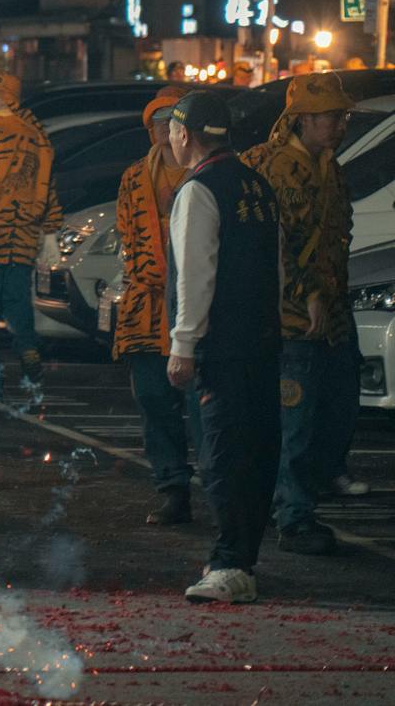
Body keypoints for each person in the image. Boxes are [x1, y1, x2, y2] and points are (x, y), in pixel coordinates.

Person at [166, 92, 284, 605]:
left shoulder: (198, 190)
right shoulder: (257, 185)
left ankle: (231, 564)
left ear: (185, 135)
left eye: (172, 130)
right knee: (257, 449)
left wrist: (183, 343)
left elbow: (196, 274)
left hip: (222, 346)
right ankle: (242, 558)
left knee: (225, 454)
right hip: (262, 339)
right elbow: (275, 270)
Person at [239, 72, 357, 555]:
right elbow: (282, 242)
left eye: (342, 116)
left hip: (324, 315)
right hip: (293, 318)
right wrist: (307, 293)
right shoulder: (282, 168)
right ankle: (294, 518)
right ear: (304, 119)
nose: (340, 125)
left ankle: (283, 507)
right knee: (297, 422)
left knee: (320, 416)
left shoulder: (324, 163)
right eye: (332, 116)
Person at [112, 87, 200, 526]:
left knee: (207, 411)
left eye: (173, 120)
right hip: (146, 314)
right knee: (154, 402)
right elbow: (128, 237)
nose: (165, 129)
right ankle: (173, 489)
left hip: (201, 308)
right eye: (157, 121)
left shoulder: (207, 176)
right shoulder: (133, 178)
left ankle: (223, 490)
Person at [0, 69, 63, 400]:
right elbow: (48, 188)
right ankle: (28, 347)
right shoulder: (38, 137)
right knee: (17, 302)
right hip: (23, 236)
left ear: (2, 99)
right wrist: (49, 230)